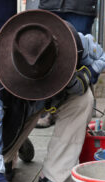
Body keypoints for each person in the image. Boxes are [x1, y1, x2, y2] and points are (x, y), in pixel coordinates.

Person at [0, 10, 105, 182]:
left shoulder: (73, 40)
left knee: (83, 98)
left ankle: (55, 176)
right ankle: (13, 143)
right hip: (13, 111)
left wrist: (86, 75)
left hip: (54, 99)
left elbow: (100, 57)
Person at [35, 0, 98, 128]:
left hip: (80, 7)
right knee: (47, 55)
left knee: (80, 54)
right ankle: (49, 108)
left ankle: (84, 105)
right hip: (50, 5)